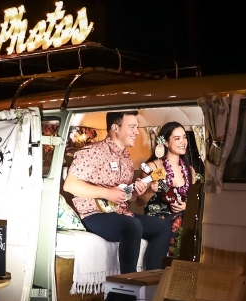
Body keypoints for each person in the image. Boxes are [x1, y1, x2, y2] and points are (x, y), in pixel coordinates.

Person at [63, 111, 171, 273]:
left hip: (120, 214)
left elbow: (128, 196)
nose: (136, 132)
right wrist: (106, 193)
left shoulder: (127, 158)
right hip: (93, 215)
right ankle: (128, 284)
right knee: (132, 225)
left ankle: (152, 281)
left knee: (162, 226)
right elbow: (70, 185)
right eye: (132, 127)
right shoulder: (93, 151)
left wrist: (137, 191)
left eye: (137, 127)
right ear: (115, 127)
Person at [136, 121, 196, 258]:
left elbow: (193, 201)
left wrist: (186, 206)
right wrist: (151, 190)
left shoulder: (190, 171)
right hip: (158, 220)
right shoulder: (152, 167)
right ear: (166, 143)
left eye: (184, 137)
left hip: (182, 218)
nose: (183, 142)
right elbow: (139, 201)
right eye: (177, 138)